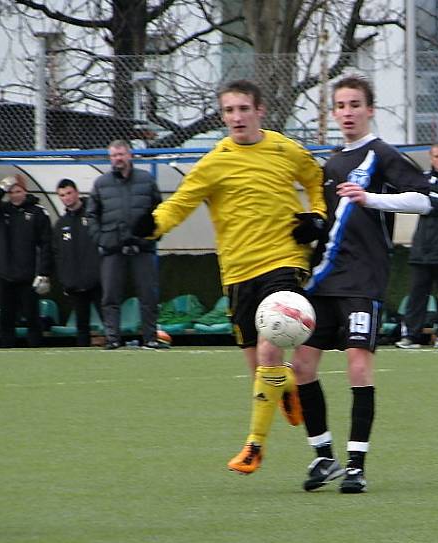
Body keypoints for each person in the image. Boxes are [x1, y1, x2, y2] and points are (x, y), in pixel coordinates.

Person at [134, 79, 326, 474]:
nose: (236, 117)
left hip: (284, 260)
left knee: (272, 348)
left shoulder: (286, 150)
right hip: (238, 271)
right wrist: (152, 226)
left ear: (260, 111)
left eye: (242, 109)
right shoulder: (214, 162)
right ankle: (286, 385)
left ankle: (255, 445)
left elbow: (315, 180)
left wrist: (317, 217)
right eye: (228, 111)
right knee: (260, 369)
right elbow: (179, 204)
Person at [292, 75, 435, 494]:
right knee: (301, 365)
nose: (348, 112)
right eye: (341, 105)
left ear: (370, 109)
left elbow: (424, 200)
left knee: (357, 364)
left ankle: (356, 464)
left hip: (364, 280)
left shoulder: (382, 155)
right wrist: (312, 227)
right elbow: (331, 218)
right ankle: (323, 457)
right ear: (334, 112)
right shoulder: (332, 163)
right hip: (324, 280)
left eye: (355, 104)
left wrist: (373, 199)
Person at [86, 140, 163, 350]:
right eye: (113, 155)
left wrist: (153, 235)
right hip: (112, 248)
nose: (117, 159)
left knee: (148, 294)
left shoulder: (146, 180)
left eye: (120, 154)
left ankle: (150, 337)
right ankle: (112, 339)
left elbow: (160, 211)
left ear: (130, 155)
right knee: (110, 295)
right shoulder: (101, 183)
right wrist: (101, 239)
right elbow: (91, 215)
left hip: (142, 247)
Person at [396, 141, 438, 349]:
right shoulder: (424, 178)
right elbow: (415, 201)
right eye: (437, 156)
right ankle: (411, 336)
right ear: (431, 157)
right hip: (422, 247)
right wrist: (432, 201)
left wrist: (428, 200)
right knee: (417, 293)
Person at [0, 173, 52, 348]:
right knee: (6, 319)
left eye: (18, 191)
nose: (14, 195)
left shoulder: (38, 212)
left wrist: (44, 273)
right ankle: (7, 351)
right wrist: (0, 188)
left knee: (32, 318)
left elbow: (47, 244)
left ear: (25, 191)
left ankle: (36, 351)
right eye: (11, 192)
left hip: (28, 276)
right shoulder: (2, 211)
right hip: (4, 275)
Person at [52, 178, 102, 347]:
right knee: (82, 326)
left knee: (109, 320)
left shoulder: (94, 215)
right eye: (62, 195)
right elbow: (58, 255)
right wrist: (65, 280)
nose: (66, 197)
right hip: (75, 285)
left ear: (77, 192)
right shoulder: (61, 224)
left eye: (69, 193)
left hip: (98, 281)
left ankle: (117, 349)